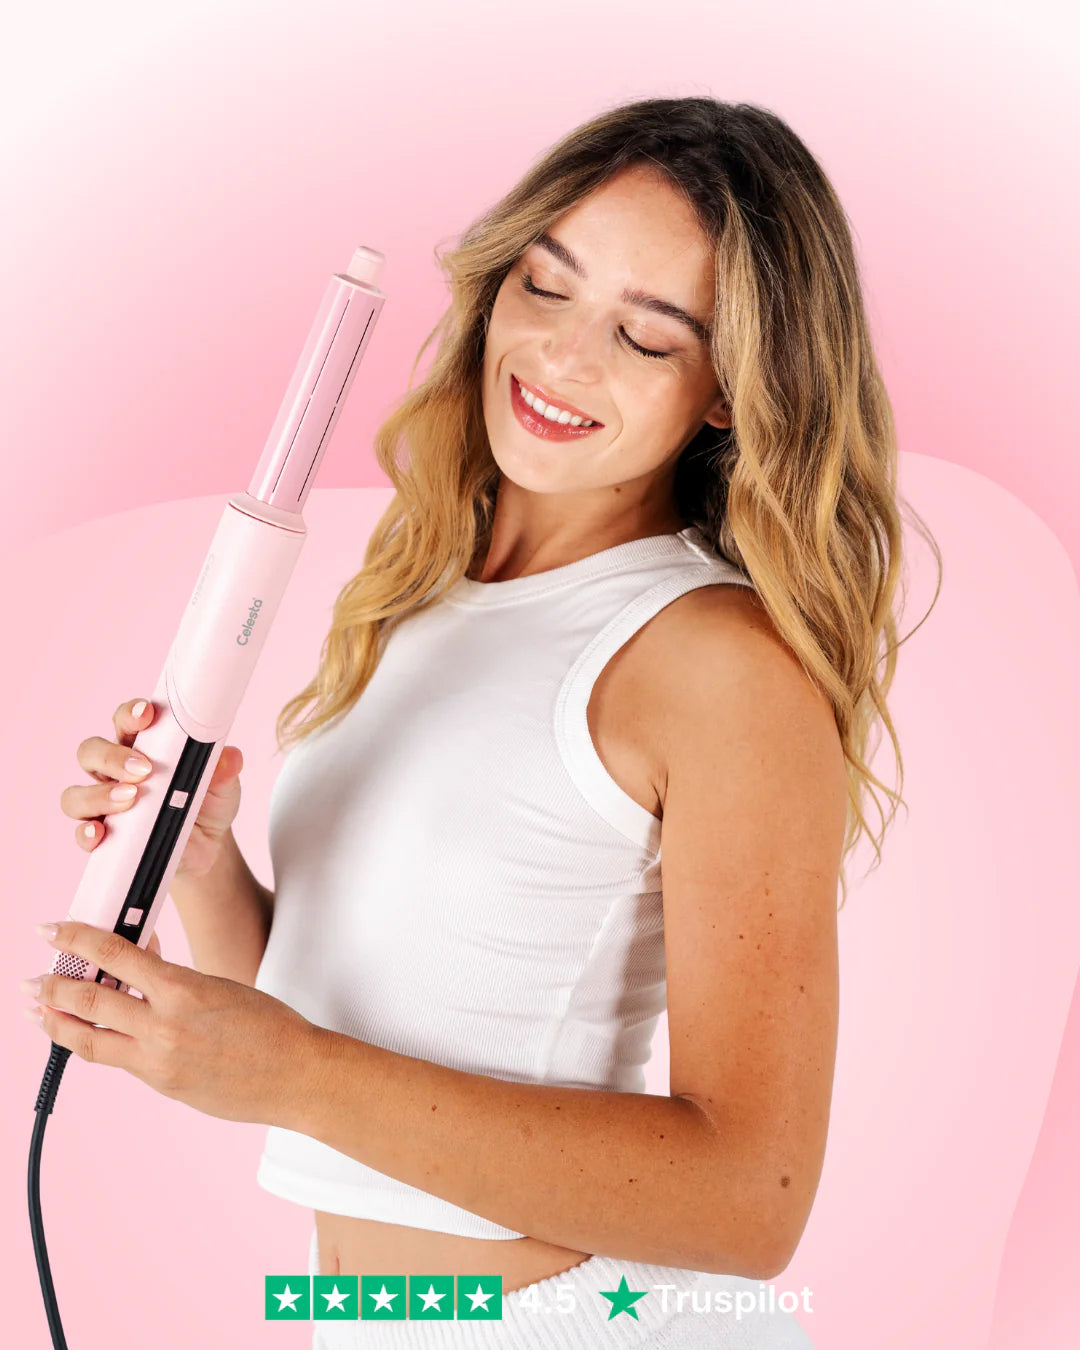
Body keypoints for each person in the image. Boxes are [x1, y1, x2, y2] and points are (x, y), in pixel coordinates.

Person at [58, 97, 940, 1347]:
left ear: (728, 391)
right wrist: (200, 859)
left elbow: (753, 1201)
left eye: (647, 337)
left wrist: (290, 1072)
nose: (563, 357)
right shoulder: (423, 589)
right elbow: (343, 1034)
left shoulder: (716, 664)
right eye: (546, 285)